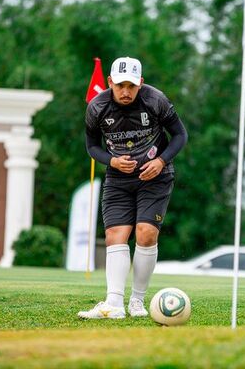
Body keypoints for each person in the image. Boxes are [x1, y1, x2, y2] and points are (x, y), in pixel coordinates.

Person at [78, 57, 188, 319]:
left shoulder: (155, 100)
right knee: (116, 234)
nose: (125, 92)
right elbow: (92, 146)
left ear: (140, 82)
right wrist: (112, 160)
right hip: (118, 179)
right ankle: (114, 304)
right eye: (119, 85)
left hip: (156, 176)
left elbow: (180, 135)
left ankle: (137, 302)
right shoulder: (97, 107)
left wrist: (161, 161)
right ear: (109, 83)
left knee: (146, 233)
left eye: (131, 85)